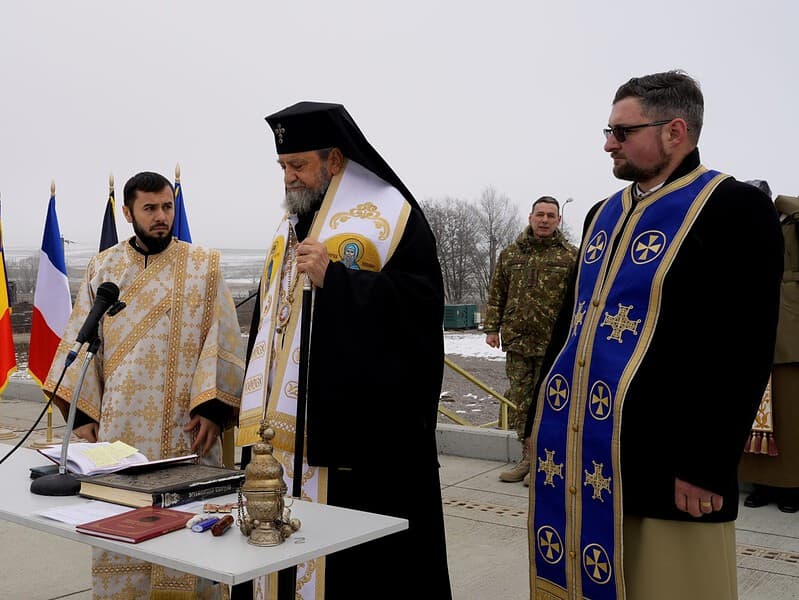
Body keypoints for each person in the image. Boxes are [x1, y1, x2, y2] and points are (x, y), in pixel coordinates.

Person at [523, 71, 782, 600]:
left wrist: (706, 464)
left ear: (675, 131)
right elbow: (569, 326)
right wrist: (537, 420)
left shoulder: (736, 210)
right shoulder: (602, 214)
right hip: (585, 451)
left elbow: (745, 349)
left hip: (674, 462)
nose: (608, 144)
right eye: (608, 130)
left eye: (622, 131)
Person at [235, 102, 451, 599]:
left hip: (358, 441)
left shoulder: (393, 216)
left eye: (299, 165)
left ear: (334, 161)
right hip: (283, 438)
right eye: (283, 167)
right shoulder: (291, 227)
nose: (289, 178)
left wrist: (339, 281)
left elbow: (420, 310)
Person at [44, 171, 245, 599]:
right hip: (121, 432)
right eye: (150, 208)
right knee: (120, 540)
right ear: (128, 211)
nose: (161, 217)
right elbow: (82, 338)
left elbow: (224, 337)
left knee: (192, 542)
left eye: (167, 207)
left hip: (186, 430)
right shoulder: (104, 267)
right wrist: (83, 415)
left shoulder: (204, 265)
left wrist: (212, 409)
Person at [483, 196, 576, 485]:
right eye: (540, 214)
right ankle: (527, 459)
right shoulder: (511, 254)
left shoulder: (571, 256)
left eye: (551, 215)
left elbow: (579, 299)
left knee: (552, 404)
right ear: (530, 217)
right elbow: (497, 291)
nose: (545, 220)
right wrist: (492, 328)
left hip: (555, 346)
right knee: (522, 404)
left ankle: (548, 462)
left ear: (559, 220)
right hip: (518, 342)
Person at [739, 189, 799, 513]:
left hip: (789, 332)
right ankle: (760, 484)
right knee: (750, 412)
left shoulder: (790, 221)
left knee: (790, 415)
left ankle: (791, 488)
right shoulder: (743, 227)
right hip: (750, 325)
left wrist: (783, 203)